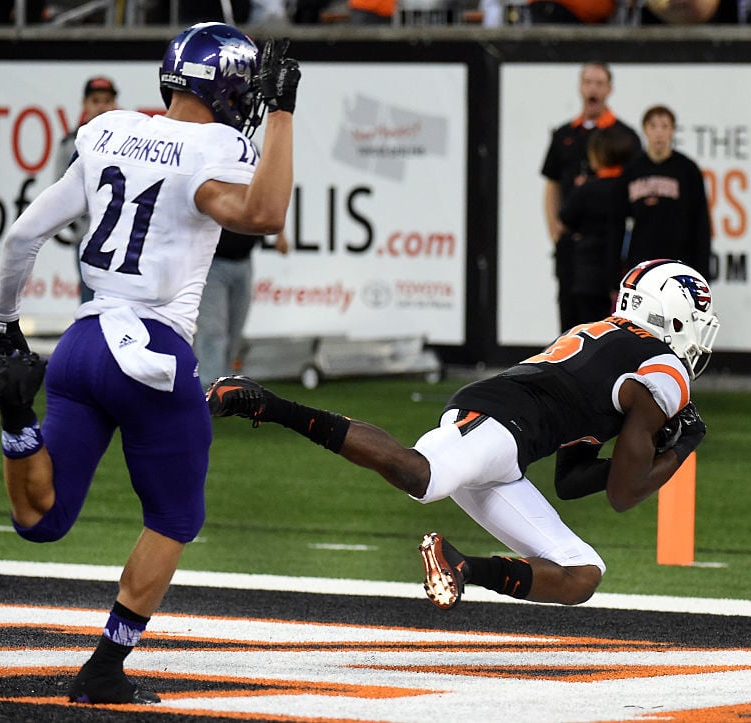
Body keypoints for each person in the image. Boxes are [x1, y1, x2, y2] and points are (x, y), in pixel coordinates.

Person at [0, 23, 300, 704]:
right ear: (233, 90)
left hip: (82, 346)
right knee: (175, 515)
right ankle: (106, 665)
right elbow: (263, 213)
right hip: (153, 353)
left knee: (43, 517)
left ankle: (15, 415)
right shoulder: (216, 145)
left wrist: (3, 325)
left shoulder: (108, 128)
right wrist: (286, 110)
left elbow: (24, 234)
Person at [207, 259, 719, 610]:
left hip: (512, 447)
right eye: (697, 316)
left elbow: (574, 478)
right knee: (421, 478)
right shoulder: (664, 369)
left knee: (582, 572)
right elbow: (626, 494)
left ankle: (461, 567)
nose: (700, 331)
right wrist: (682, 447)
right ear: (669, 313)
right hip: (504, 416)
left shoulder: (611, 345)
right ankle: (267, 403)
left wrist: (660, 446)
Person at [541, 62, 641, 332]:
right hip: (571, 243)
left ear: (609, 89)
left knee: (602, 324)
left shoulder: (624, 136)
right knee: (568, 317)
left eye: (599, 83)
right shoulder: (564, 135)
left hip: (607, 246)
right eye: (588, 82)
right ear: (579, 87)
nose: (592, 89)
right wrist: (555, 228)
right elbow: (552, 183)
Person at [615, 105, 713, 282]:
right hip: (640, 265)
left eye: (664, 126)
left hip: (680, 264)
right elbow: (617, 223)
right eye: (653, 126)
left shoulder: (687, 169)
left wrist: (702, 272)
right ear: (645, 130)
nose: (659, 133)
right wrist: (615, 272)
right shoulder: (631, 170)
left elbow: (701, 222)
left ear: (673, 131)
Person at [557, 124, 636, 326]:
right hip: (622, 273)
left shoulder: (588, 189)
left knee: (588, 332)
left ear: (596, 157)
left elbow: (566, 217)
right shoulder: (629, 187)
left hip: (588, 274)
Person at [194, 227, 290, 387]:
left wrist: (281, 234)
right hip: (212, 259)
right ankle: (208, 392)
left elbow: (265, 202)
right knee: (212, 331)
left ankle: (224, 390)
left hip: (244, 259)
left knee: (234, 332)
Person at [54, 76, 119, 303]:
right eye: (95, 100)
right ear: (85, 104)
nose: (101, 106)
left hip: (122, 240)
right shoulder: (71, 144)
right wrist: (83, 230)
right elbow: (61, 193)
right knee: (91, 306)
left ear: (115, 104)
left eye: (107, 100)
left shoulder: (130, 142)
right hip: (88, 240)